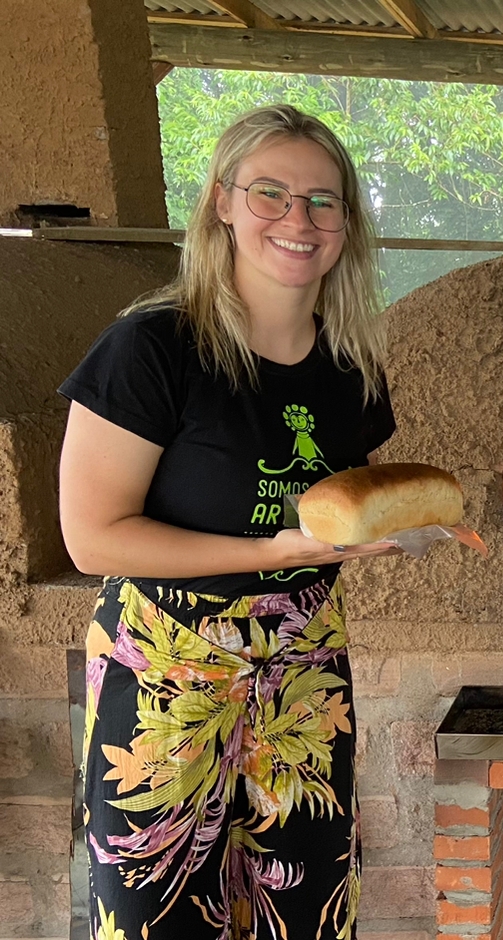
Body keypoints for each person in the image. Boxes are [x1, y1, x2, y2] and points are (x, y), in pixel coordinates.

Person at [58, 104, 396, 940]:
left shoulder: (352, 371)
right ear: (221, 202)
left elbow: (331, 516)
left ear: (346, 225)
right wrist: (267, 549)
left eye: (323, 201)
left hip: (304, 672)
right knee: (156, 915)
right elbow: (92, 536)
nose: (298, 220)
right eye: (270, 193)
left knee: (308, 911)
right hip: (169, 671)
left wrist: (399, 530)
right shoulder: (153, 348)